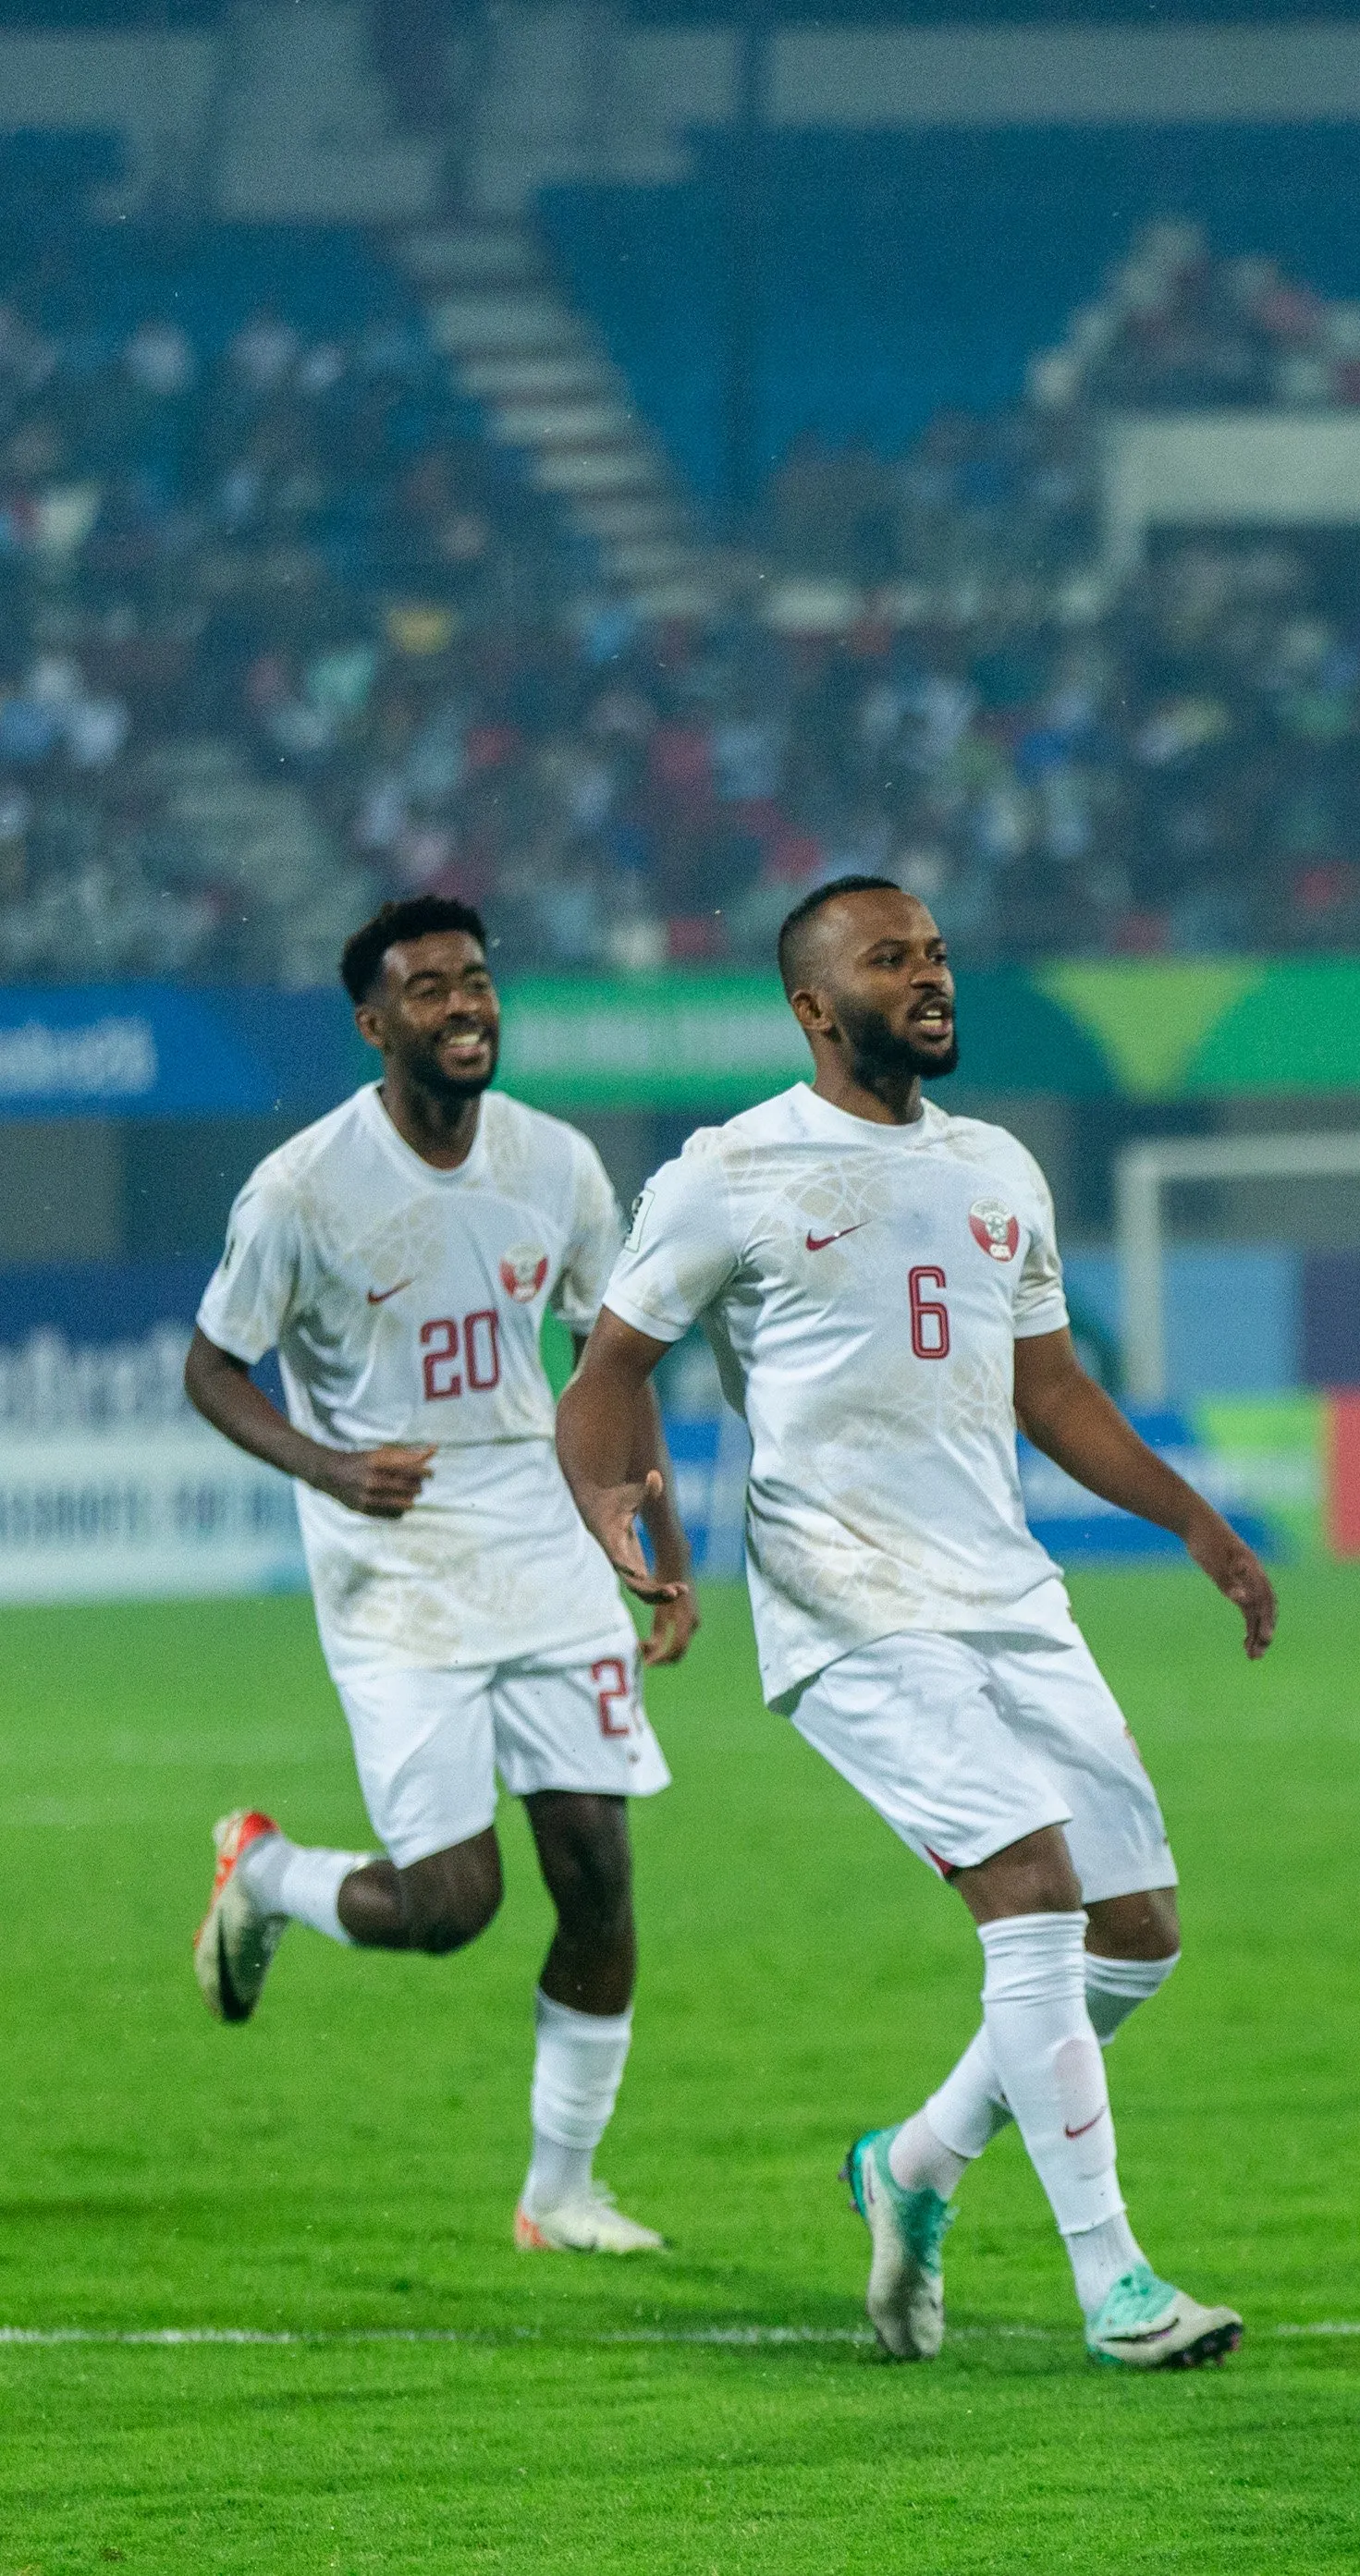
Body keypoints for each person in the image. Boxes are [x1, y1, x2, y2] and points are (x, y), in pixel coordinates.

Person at [556, 877, 1276, 2372]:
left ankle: (916, 2168)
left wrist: (1194, 1519)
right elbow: (607, 1372)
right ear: (816, 1006)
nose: (933, 977)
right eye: (894, 960)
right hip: (847, 1603)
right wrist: (624, 1516)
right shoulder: (734, 1169)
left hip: (1006, 1595)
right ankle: (1115, 2282)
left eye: (939, 953)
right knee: (1031, 1886)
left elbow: (1054, 1391)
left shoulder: (1001, 1167)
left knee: (1134, 1937)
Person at [186, 895, 692, 2255]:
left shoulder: (559, 1162)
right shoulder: (300, 1189)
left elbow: (614, 1361)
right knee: (451, 1905)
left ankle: (561, 2190)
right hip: (395, 1572)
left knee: (598, 1875)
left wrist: (664, 1550)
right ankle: (268, 1870)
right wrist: (331, 1465)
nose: (464, 1006)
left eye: (476, 982)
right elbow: (211, 1365)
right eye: (428, 990)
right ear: (374, 1024)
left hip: (543, 1538)